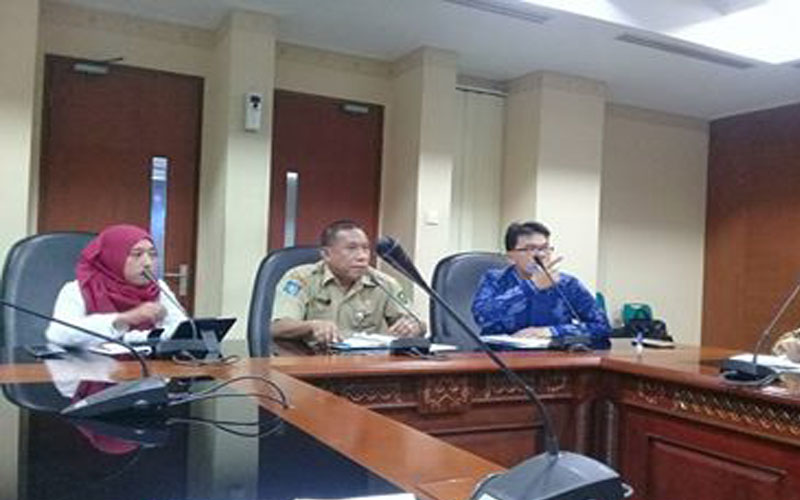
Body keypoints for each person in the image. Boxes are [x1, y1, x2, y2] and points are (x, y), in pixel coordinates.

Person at [271, 220, 426, 354]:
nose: (362, 256)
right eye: (351, 248)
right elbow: (276, 327)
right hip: (311, 361)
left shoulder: (383, 283)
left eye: (366, 248)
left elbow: (418, 322)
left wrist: (414, 327)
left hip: (367, 366)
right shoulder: (301, 278)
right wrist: (311, 326)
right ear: (326, 254)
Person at [471, 221, 611, 349]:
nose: (541, 255)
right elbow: (482, 317)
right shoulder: (494, 280)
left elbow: (602, 327)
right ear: (510, 257)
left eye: (545, 248)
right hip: (502, 357)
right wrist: (531, 287)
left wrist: (550, 331)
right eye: (530, 249)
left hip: (553, 358)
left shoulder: (567, 284)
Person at [46, 224, 186, 347]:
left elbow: (182, 330)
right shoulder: (79, 288)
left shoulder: (156, 287)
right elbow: (59, 334)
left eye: (152, 254)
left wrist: (137, 337)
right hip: (93, 365)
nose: (148, 262)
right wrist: (124, 319)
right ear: (113, 257)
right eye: (137, 254)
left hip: (150, 365)